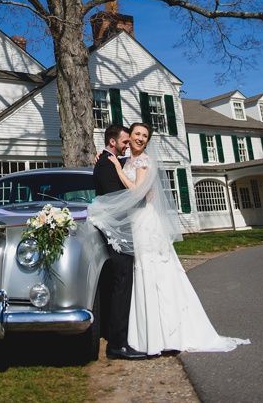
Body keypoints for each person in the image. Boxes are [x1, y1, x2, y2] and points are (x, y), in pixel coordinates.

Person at [91, 123, 250, 356]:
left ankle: (165, 334)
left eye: (144, 136)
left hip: (145, 222)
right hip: (133, 223)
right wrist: (110, 158)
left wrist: (116, 165)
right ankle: (144, 334)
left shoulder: (142, 161)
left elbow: (137, 191)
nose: (138, 139)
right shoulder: (126, 160)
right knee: (141, 275)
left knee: (155, 273)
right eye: (135, 135)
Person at [90, 124, 147, 360]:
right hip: (118, 234)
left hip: (121, 232)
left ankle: (119, 339)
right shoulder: (105, 164)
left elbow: (128, 171)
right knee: (120, 286)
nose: (127, 145)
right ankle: (117, 344)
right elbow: (115, 199)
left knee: (121, 286)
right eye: (124, 141)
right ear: (113, 142)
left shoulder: (111, 161)